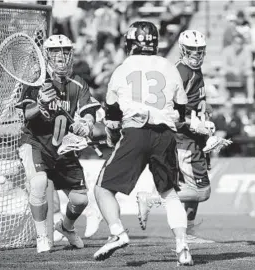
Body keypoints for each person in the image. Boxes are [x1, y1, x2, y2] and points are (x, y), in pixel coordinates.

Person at [93, 21, 194, 266]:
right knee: (170, 194)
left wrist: (112, 132)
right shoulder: (169, 67)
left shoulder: (122, 68)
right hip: (165, 135)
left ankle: (117, 232)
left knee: (102, 188)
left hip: (136, 132)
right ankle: (183, 247)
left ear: (129, 43)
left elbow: (113, 115)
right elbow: (180, 110)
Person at [16, 34, 100, 253]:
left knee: (80, 200)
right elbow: (27, 114)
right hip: (35, 144)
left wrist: (85, 125)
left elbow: (88, 114)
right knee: (38, 183)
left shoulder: (78, 83)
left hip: (63, 148)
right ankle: (42, 235)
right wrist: (40, 103)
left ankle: (66, 227)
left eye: (65, 51)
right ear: (47, 55)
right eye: (55, 52)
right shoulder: (36, 81)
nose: (61, 56)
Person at [136, 30, 216, 243]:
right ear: (183, 49)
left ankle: (187, 233)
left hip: (192, 139)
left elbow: (194, 102)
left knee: (191, 188)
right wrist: (195, 123)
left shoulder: (194, 71)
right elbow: (170, 110)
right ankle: (151, 198)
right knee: (202, 191)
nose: (197, 55)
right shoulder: (181, 72)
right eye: (192, 50)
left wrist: (204, 116)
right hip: (183, 140)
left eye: (200, 51)